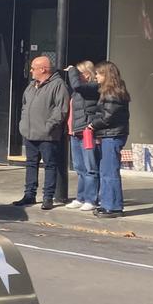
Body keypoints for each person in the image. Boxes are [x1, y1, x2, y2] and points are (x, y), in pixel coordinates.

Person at [13, 55, 68, 209]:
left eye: (33, 68)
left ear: (43, 69)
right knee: (31, 164)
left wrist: (49, 126)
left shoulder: (58, 85)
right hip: (29, 133)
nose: (30, 71)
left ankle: (47, 197)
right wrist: (23, 124)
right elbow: (24, 105)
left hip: (47, 135)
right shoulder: (31, 86)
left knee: (50, 165)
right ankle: (29, 195)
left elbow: (61, 109)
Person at [89, 61, 130, 218]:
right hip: (109, 134)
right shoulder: (110, 92)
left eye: (98, 74)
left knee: (110, 171)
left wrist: (92, 125)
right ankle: (106, 203)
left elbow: (108, 117)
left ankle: (113, 206)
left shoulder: (113, 93)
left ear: (106, 75)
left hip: (113, 134)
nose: (96, 77)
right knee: (105, 170)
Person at [64, 60, 101, 210]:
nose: (75, 77)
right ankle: (81, 197)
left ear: (86, 74)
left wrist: (72, 70)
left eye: (78, 73)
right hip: (75, 132)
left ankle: (91, 199)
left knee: (90, 167)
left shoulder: (93, 87)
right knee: (79, 168)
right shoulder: (79, 91)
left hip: (86, 131)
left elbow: (77, 86)